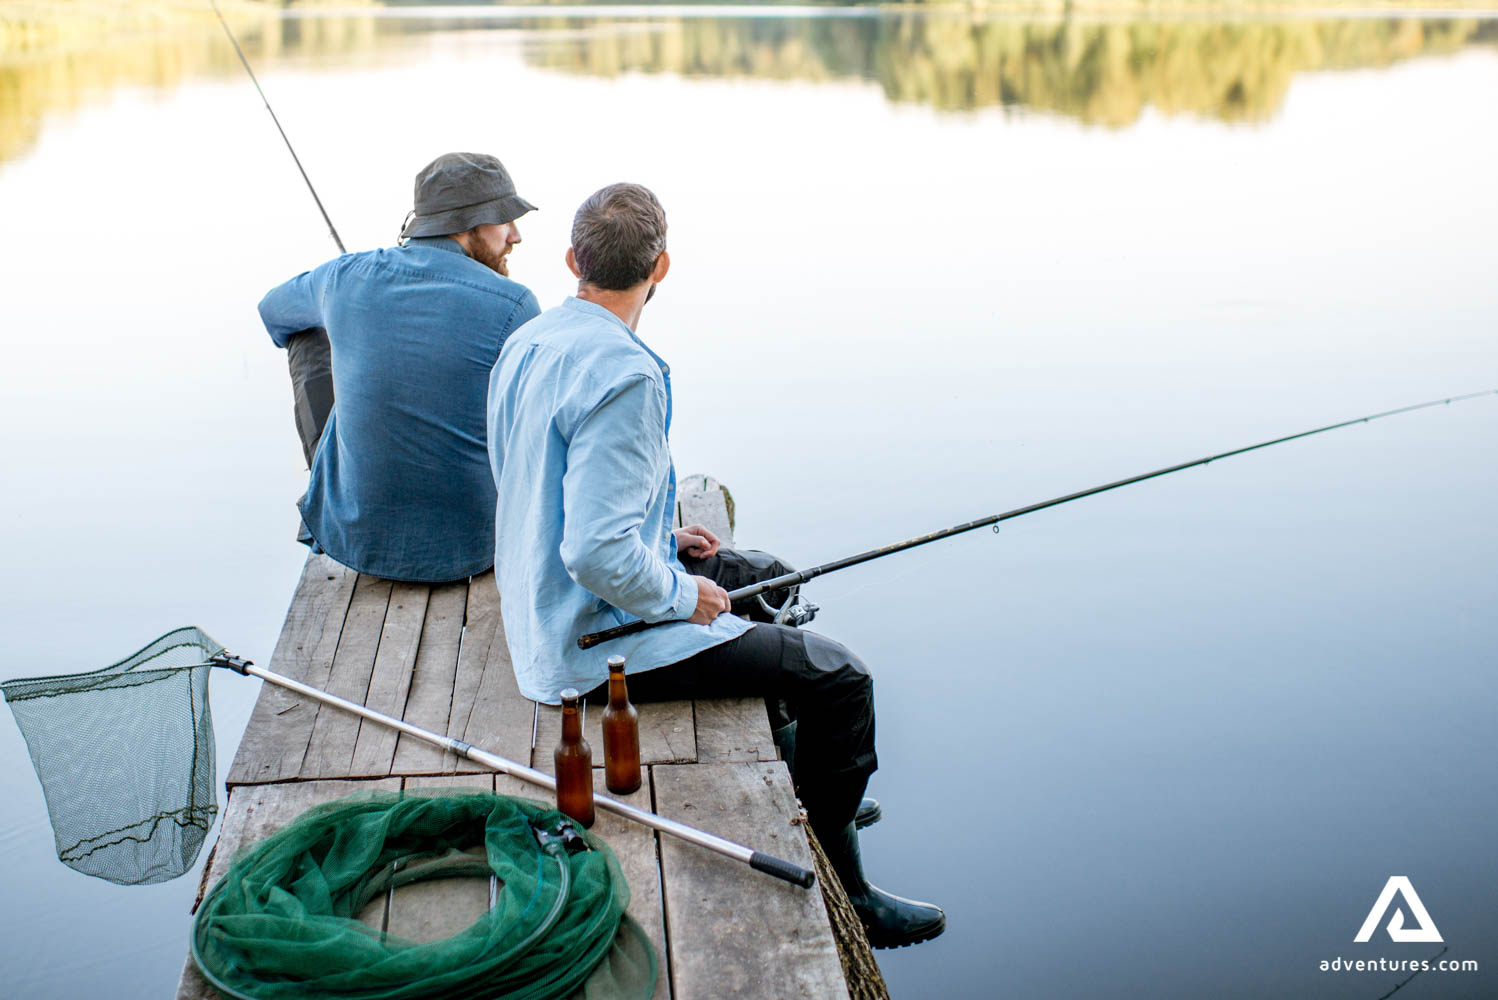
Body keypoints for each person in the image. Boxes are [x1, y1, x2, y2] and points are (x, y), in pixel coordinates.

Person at [486, 182, 945, 948]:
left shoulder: (532, 341)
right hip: (594, 645)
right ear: (661, 267)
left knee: (770, 572)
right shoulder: (624, 375)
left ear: (573, 261)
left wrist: (663, 538)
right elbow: (594, 552)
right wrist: (678, 593)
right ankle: (851, 890)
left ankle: (816, 788)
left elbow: (551, 490)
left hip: (548, 604)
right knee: (841, 679)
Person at [258, 152, 540, 582]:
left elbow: (274, 311)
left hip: (356, 538)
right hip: (476, 547)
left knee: (308, 331)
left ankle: (333, 484)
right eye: (505, 219)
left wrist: (354, 322)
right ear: (469, 226)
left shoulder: (344, 276)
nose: (515, 236)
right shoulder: (516, 303)